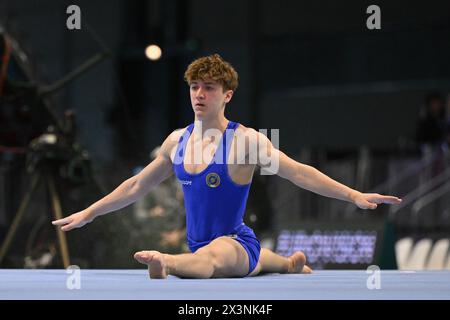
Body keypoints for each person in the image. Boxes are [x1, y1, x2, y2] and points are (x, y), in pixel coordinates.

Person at [52, 54, 402, 279]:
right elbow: (136, 186)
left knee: (217, 257)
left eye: (209, 87)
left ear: (227, 95)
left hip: (230, 242)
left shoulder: (246, 142)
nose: (200, 94)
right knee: (257, 261)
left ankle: (167, 262)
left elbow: (298, 172)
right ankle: (290, 263)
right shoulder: (176, 141)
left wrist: (353, 194)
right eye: (194, 87)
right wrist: (90, 212)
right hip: (206, 245)